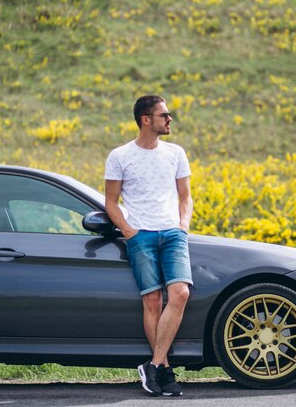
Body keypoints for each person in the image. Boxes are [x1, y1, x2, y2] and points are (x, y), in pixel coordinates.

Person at [104, 95, 193, 396]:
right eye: (164, 114)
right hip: (140, 235)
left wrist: (183, 225)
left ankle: (152, 366)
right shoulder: (119, 156)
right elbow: (110, 203)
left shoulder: (176, 153)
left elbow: (185, 196)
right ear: (146, 119)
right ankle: (165, 371)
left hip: (172, 234)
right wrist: (129, 231)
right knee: (153, 301)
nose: (170, 120)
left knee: (180, 293)